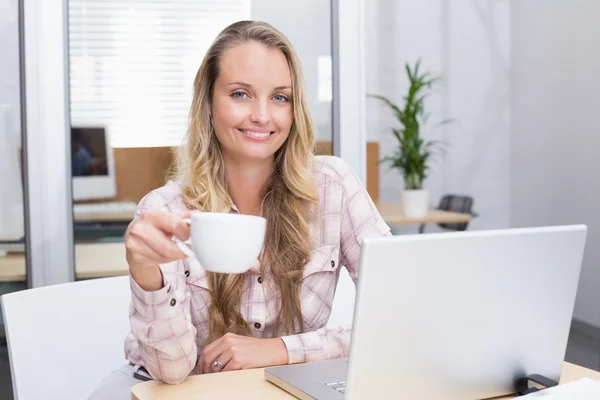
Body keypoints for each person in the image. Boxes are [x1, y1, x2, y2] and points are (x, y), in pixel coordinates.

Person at [89, 20, 390, 399]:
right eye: (241, 94)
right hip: (168, 388)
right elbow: (171, 370)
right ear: (208, 103)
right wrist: (146, 272)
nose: (262, 116)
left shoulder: (333, 185)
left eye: (280, 98)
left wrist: (280, 350)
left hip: (279, 386)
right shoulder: (165, 209)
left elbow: (400, 314)